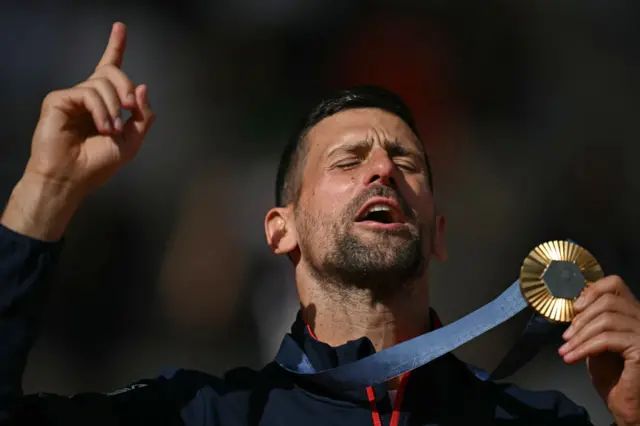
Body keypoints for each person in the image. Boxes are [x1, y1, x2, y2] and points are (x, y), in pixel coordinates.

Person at [1, 22, 640, 426]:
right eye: (347, 160)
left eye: (406, 162)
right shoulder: (199, 415)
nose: (382, 170)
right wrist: (46, 190)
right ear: (281, 230)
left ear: (438, 233)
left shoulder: (534, 419)